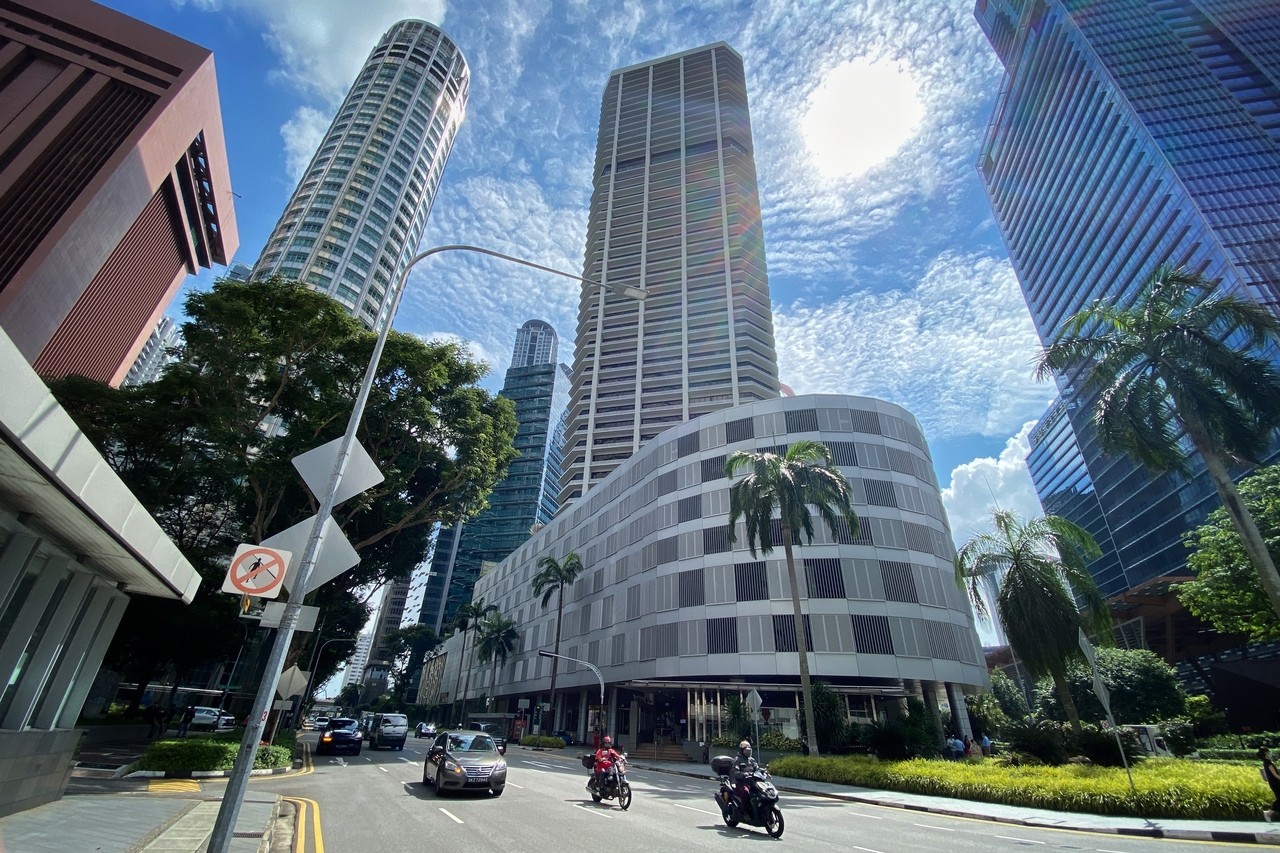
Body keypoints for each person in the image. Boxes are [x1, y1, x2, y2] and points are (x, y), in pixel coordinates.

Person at [1259, 747, 1280, 822]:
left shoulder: (1266, 762)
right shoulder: (1268, 763)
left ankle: (1269, 813)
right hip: (1276, 783)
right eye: (1268, 752)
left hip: (1273, 783)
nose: (1270, 753)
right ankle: (1268, 813)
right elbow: (1275, 775)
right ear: (1265, 753)